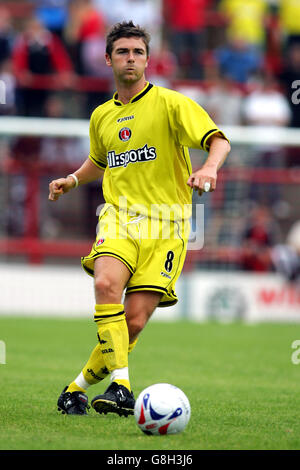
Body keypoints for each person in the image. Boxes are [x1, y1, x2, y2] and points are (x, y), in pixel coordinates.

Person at [48, 21, 231, 416]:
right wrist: (74, 179)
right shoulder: (101, 116)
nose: (130, 59)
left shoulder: (171, 103)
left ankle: (75, 389)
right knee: (105, 282)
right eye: (122, 52)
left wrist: (210, 168)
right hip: (120, 218)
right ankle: (122, 387)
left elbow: (218, 139)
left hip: (170, 224)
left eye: (138, 52)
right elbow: (100, 160)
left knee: (132, 322)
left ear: (148, 59)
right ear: (108, 59)